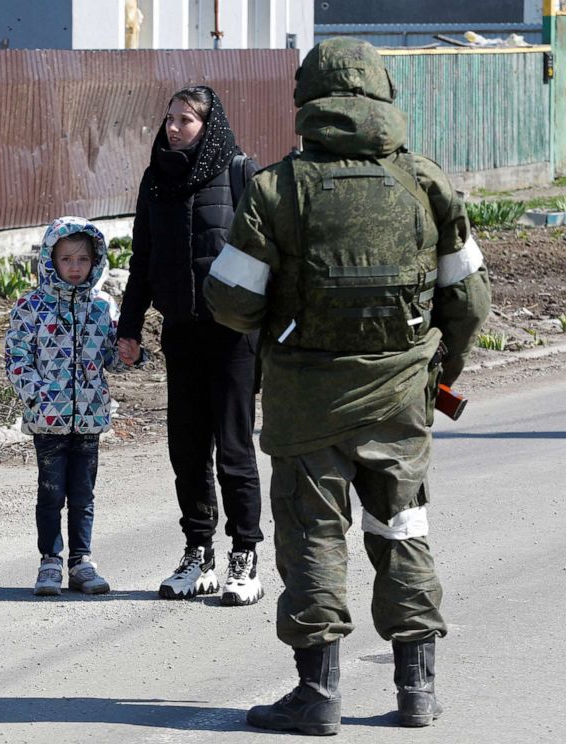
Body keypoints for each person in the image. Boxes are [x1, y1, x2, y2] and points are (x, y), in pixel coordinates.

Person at [203, 38, 492, 735]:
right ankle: (417, 692)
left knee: (311, 536)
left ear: (308, 102)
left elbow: (229, 300)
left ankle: (318, 696)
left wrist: (281, 321)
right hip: (401, 400)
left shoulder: (277, 188)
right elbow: (472, 301)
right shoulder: (428, 182)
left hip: (307, 401)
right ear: (383, 97)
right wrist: (435, 372)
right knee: (403, 530)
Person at [117, 85, 265, 606]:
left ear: (209, 125)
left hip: (233, 336)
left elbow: (268, 257)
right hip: (181, 331)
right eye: (170, 118)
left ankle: (244, 554)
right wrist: (129, 327)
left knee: (234, 449)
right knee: (186, 449)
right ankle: (197, 553)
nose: (174, 128)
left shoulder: (243, 174)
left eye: (186, 120)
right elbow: (143, 259)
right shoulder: (157, 180)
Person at [6, 217, 126, 596]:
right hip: (47, 420)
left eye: (83, 260)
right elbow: (16, 357)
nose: (75, 268)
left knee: (83, 494)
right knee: (51, 492)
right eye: (66, 259)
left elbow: (113, 358)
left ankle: (82, 562)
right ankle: (50, 561)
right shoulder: (31, 305)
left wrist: (131, 354)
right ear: (50, 261)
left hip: (90, 417)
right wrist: (37, 394)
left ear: (95, 261)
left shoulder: (102, 306)